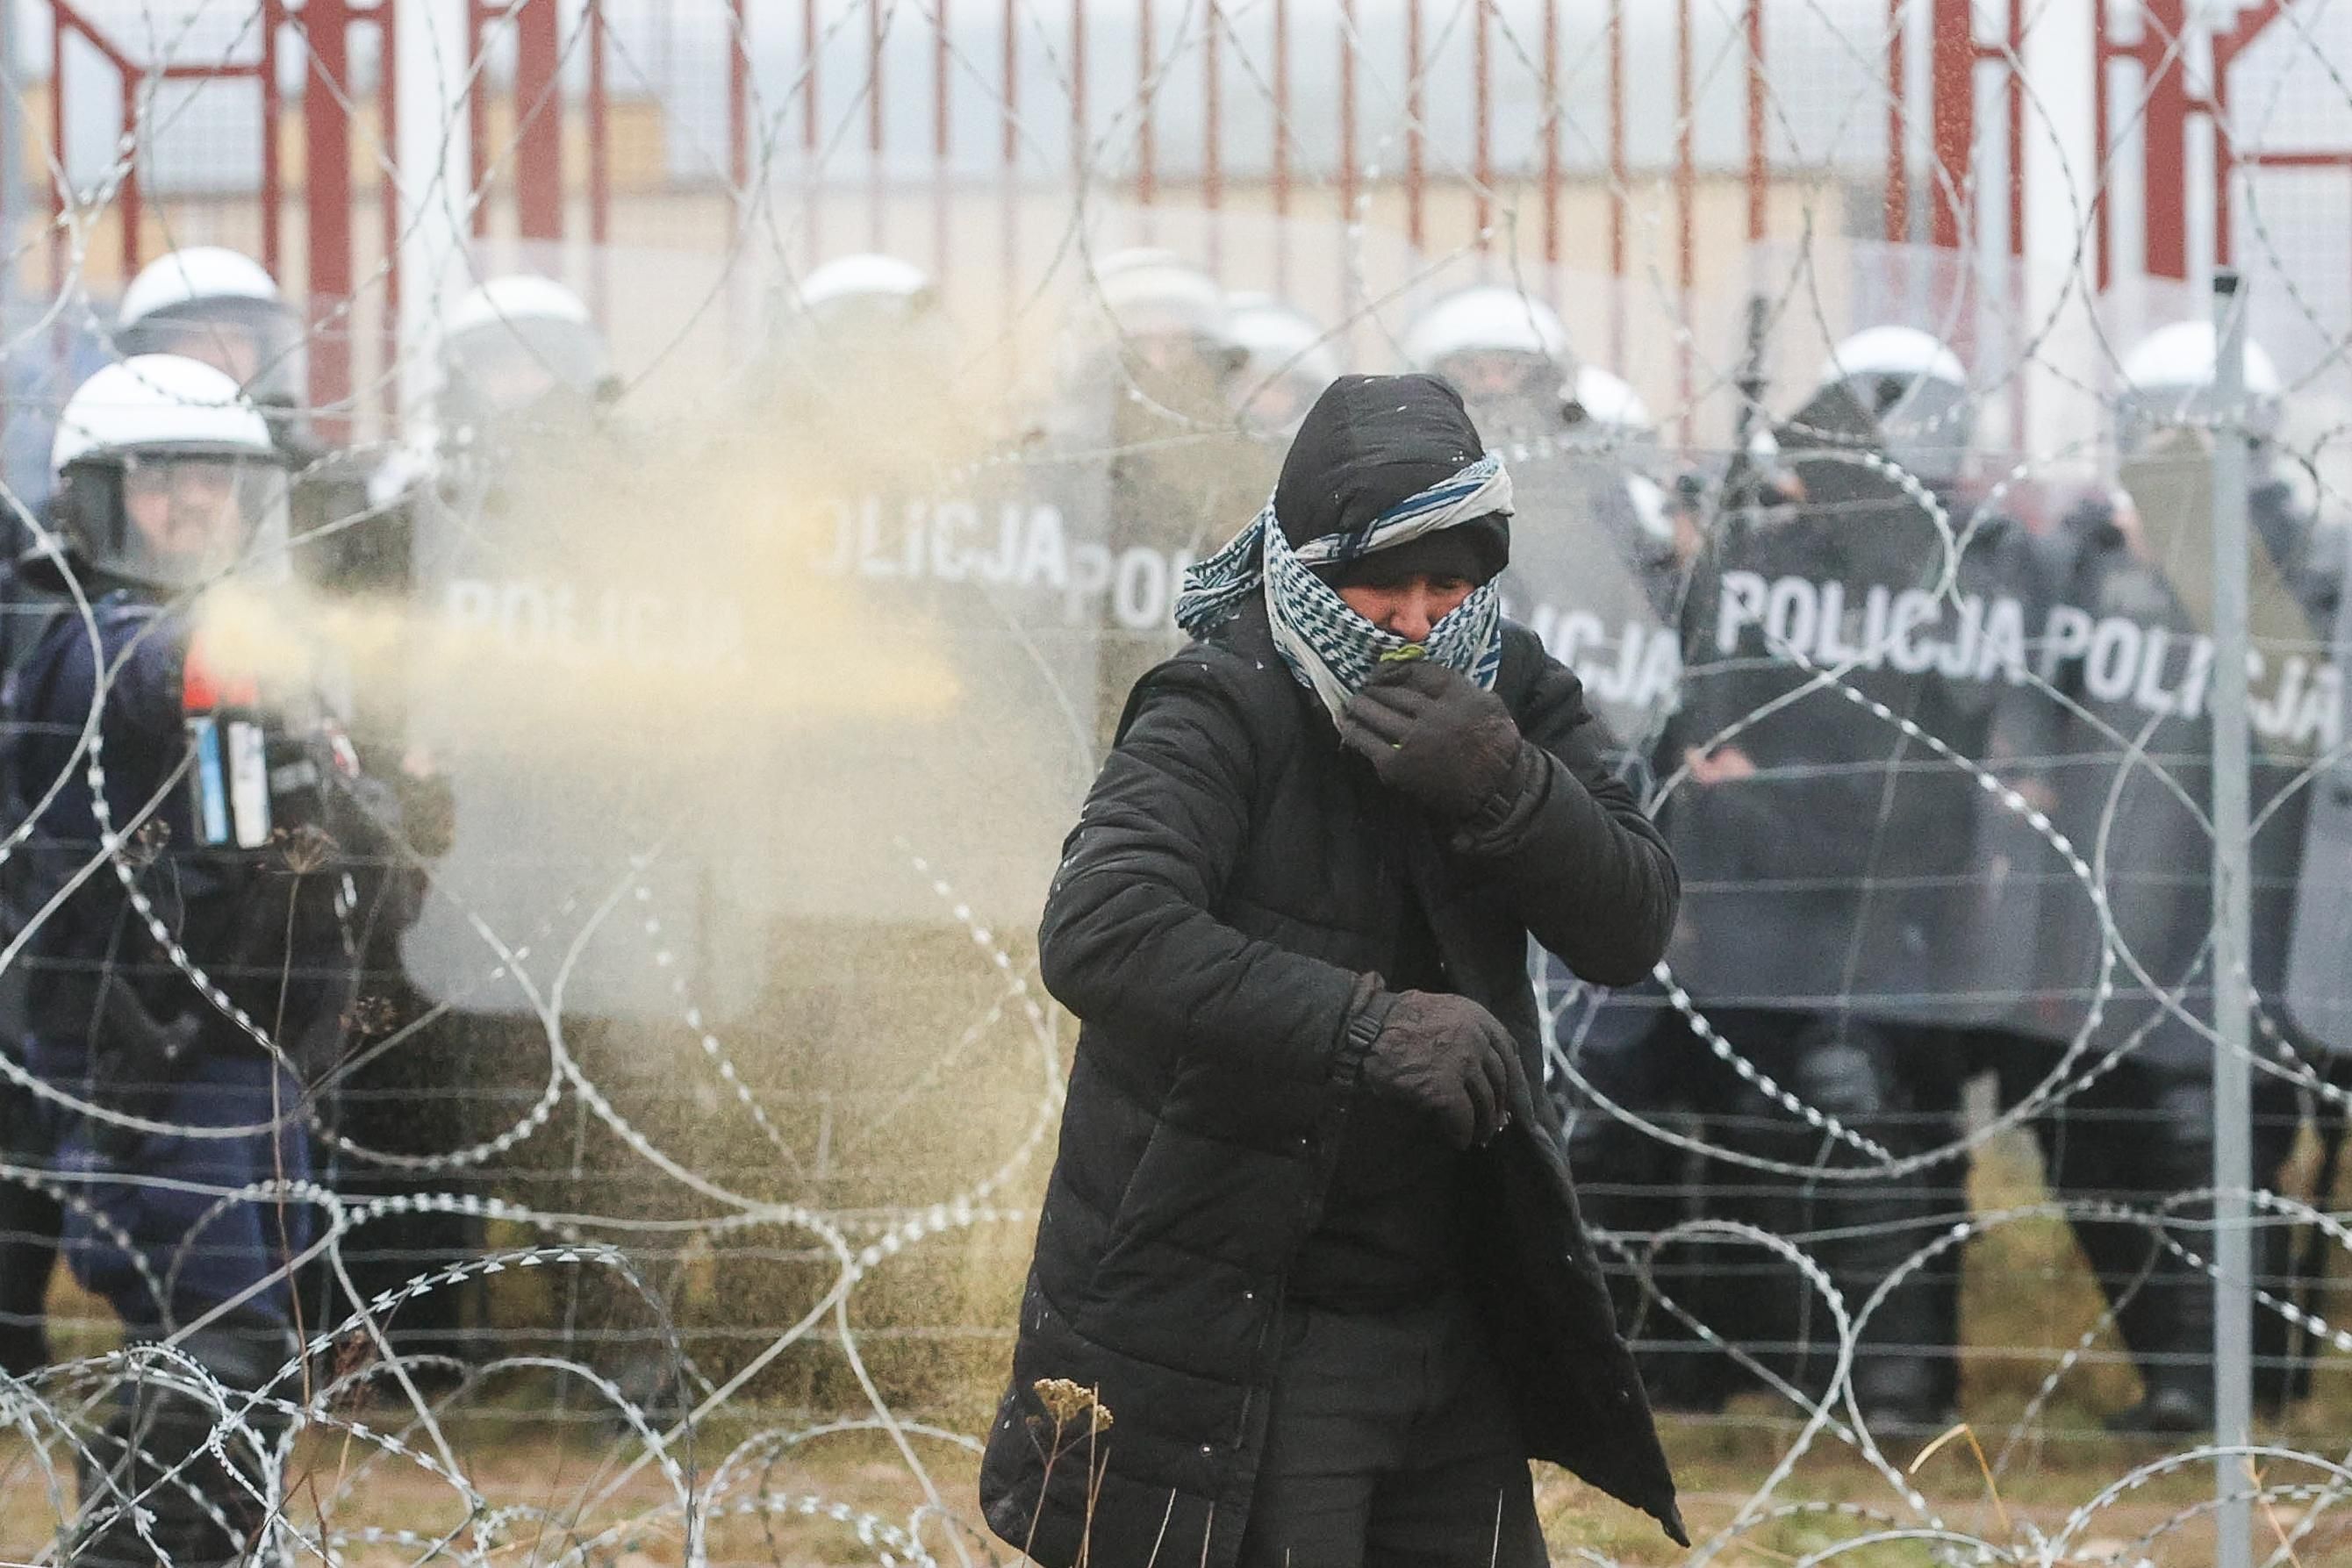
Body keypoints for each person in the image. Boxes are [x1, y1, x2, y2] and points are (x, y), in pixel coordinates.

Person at [979, 373, 1687, 1567]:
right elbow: (1101, 923)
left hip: (1454, 1304)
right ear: (1304, 568)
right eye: (1381, 583)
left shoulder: (1507, 686)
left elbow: (1632, 920)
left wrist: (1508, 788)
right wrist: (1368, 1026)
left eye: (1448, 584)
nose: (1414, 621)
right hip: (1250, 1310)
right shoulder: (1223, 700)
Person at [4, 354, 407, 1564]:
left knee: (219, 1346)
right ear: (97, 496)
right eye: (164, 477)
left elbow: (327, 819)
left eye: (222, 479)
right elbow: (136, 678)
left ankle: (170, 1540)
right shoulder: (76, 630)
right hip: (153, 1062)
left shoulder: (235, 643)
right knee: (224, 1343)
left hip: (246, 1045)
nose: (197, 503)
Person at [1648, 325, 2019, 1429]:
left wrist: (1770, 794)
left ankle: (1892, 1384)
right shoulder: (1762, 564)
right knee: (1770, 1127)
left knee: (1881, 1120)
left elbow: (1928, 778)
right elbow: (1705, 739)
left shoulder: (1970, 570)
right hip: (1776, 906)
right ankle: (1808, 1368)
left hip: (1900, 911)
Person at [2004, 320, 2328, 1433]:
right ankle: (2195, 1354)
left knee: (2211, 1128)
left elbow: (2303, 717)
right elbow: (2022, 693)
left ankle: (2218, 1379)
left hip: (2251, 912)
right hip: (2100, 903)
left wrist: (2198, 558)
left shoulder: (2307, 559)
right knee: (2079, 1125)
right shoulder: (2091, 559)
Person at [1402, 284, 1575, 442]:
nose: (1493, 382)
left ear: (1543, 373)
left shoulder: (1579, 442)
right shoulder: (1413, 446)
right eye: (1471, 367)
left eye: (1510, 367)